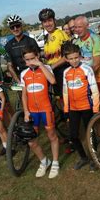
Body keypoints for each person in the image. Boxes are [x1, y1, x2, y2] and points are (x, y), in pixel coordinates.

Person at [20, 45, 60, 179]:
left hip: (45, 109)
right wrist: (26, 111)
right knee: (31, 140)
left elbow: (53, 81)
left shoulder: (45, 68)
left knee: (51, 135)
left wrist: (40, 64)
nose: (30, 62)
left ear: (37, 56)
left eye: (32, 58)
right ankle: (44, 161)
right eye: (27, 60)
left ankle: (55, 162)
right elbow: (24, 94)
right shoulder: (24, 74)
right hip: (32, 111)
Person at [62, 44, 100, 170]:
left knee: (90, 134)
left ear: (80, 56)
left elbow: (94, 90)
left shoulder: (87, 69)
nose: (74, 60)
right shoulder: (66, 72)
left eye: (76, 57)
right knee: (73, 135)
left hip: (87, 107)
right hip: (73, 109)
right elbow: (65, 92)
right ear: (66, 59)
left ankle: (95, 160)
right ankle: (83, 157)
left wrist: (95, 108)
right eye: (71, 58)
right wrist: (66, 109)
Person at [40, 8, 70, 95]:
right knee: (58, 97)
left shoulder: (61, 34)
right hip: (52, 72)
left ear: (54, 20)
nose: (48, 24)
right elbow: (51, 54)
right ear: (42, 24)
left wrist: (52, 67)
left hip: (62, 70)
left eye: (50, 20)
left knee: (65, 97)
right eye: (45, 22)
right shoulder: (46, 37)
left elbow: (68, 55)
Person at [72, 15, 100, 95]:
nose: (77, 30)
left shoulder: (95, 39)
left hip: (98, 79)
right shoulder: (76, 42)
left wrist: (83, 77)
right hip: (84, 80)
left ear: (87, 26)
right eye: (75, 27)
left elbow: (97, 64)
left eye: (79, 27)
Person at [4, 14, 39, 84]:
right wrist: (18, 82)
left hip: (34, 74)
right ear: (10, 29)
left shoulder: (31, 41)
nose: (15, 29)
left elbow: (38, 58)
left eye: (17, 26)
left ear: (21, 26)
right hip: (19, 77)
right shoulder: (8, 45)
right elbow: (10, 66)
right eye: (12, 27)